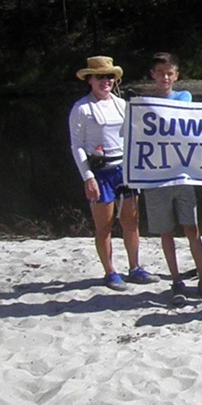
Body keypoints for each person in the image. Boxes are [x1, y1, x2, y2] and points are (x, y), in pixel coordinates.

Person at [69, 56, 159, 291]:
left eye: (109, 77)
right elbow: (76, 145)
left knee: (131, 221)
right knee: (104, 225)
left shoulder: (121, 105)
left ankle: (135, 266)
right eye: (100, 77)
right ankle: (110, 271)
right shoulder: (82, 108)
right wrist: (87, 177)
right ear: (90, 80)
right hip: (100, 171)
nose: (105, 81)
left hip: (124, 169)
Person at [143, 52, 202, 305]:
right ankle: (176, 280)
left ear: (176, 75)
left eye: (170, 73)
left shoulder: (183, 97)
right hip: (156, 177)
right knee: (166, 231)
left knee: (192, 228)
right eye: (161, 73)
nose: (165, 77)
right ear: (152, 75)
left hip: (182, 174)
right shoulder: (143, 104)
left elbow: (184, 116)